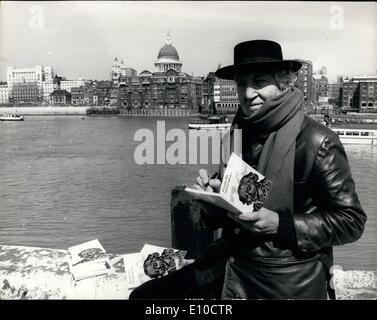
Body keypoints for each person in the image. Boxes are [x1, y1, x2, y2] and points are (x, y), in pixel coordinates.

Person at [130, 39, 367, 300]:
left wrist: (279, 224)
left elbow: (351, 221)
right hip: (230, 262)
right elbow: (234, 213)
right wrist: (212, 199)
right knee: (144, 297)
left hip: (283, 279)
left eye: (259, 81)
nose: (247, 92)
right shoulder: (238, 134)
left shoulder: (317, 141)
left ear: (283, 82)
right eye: (241, 83)